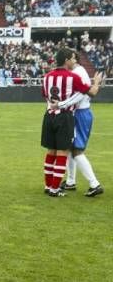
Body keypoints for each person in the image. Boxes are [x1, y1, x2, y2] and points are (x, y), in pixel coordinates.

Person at [42, 48, 102, 197]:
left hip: (50, 115)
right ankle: (91, 183)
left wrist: (56, 105)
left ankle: (54, 184)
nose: (74, 61)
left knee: (53, 151)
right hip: (67, 116)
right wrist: (97, 82)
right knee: (67, 151)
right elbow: (90, 93)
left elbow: (45, 95)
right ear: (67, 60)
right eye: (73, 58)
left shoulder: (47, 77)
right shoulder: (73, 77)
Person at [59, 57, 104, 197]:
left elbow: (83, 93)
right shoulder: (80, 71)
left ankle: (94, 184)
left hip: (80, 114)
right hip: (80, 113)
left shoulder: (77, 73)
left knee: (77, 150)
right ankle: (71, 181)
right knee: (70, 147)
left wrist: (61, 104)